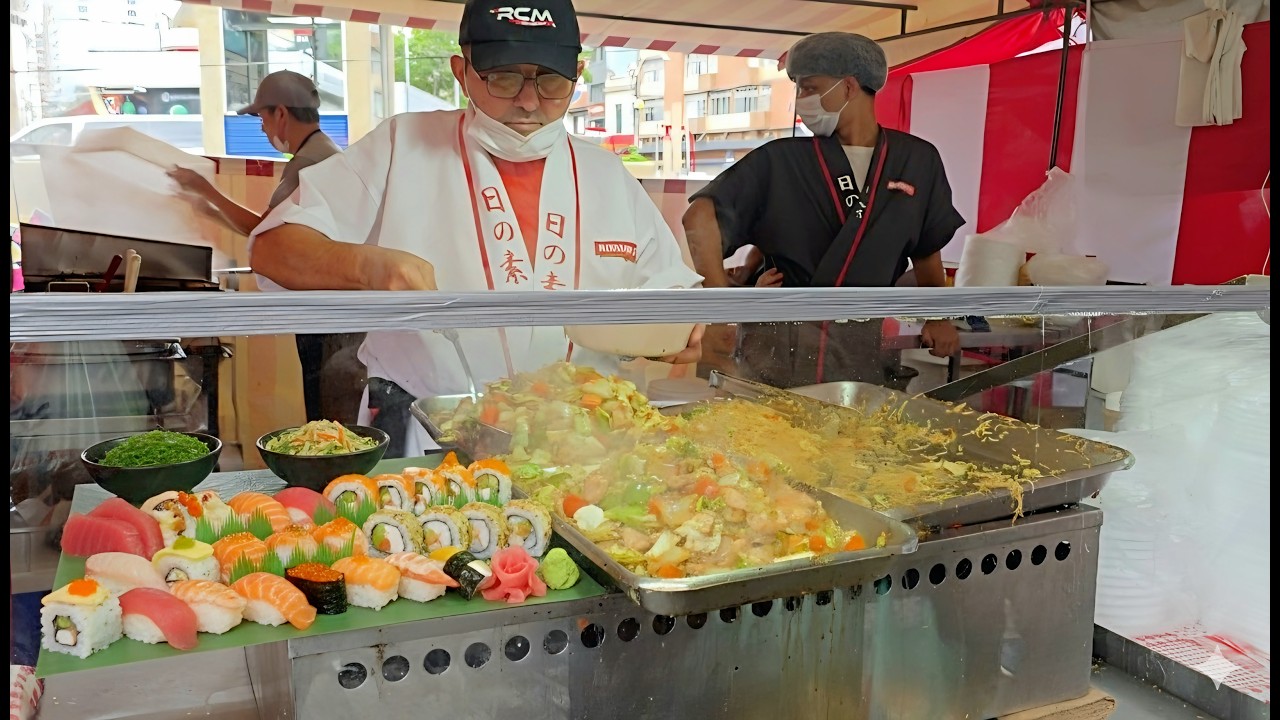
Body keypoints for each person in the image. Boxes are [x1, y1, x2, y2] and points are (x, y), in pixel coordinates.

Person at [249, 0, 703, 457]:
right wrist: (367, 265)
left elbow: (673, 290)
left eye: (550, 81)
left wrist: (673, 334)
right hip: (432, 437)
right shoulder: (400, 147)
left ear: (578, 74)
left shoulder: (608, 175)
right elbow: (274, 248)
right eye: (503, 78)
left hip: (587, 447)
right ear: (461, 71)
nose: (528, 100)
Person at [683, 32, 964, 389]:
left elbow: (927, 250)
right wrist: (720, 304)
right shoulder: (782, 160)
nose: (801, 101)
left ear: (848, 87)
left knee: (847, 432)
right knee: (767, 435)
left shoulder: (917, 160)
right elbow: (699, 217)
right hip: (777, 347)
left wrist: (937, 317)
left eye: (809, 88)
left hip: (863, 346)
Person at [167, 70, 363, 426]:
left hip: (331, 319)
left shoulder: (311, 165)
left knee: (328, 423)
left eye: (262, 117)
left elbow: (265, 230)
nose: (261, 128)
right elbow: (265, 228)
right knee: (331, 416)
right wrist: (206, 207)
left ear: (282, 114)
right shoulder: (324, 155)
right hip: (335, 314)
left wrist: (205, 190)